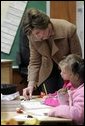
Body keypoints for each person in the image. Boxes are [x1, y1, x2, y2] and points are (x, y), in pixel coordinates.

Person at [22, 8, 82, 99]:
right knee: (48, 98)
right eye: (34, 34)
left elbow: (77, 58)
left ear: (44, 25)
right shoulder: (32, 37)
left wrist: (73, 79)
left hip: (68, 69)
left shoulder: (68, 29)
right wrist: (30, 84)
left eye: (38, 33)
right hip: (47, 71)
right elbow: (35, 62)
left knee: (66, 96)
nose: (36, 37)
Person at [47, 54, 84, 125]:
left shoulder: (82, 91)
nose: (61, 74)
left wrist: (57, 110)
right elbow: (69, 105)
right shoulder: (75, 88)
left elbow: (78, 115)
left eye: (64, 72)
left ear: (76, 76)